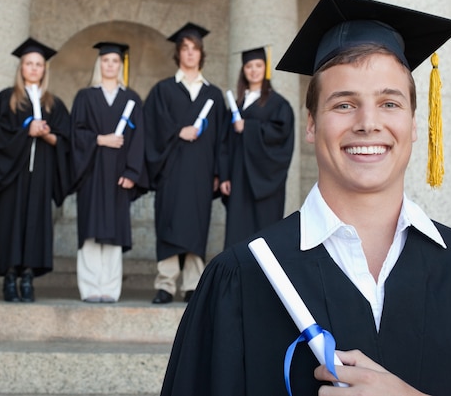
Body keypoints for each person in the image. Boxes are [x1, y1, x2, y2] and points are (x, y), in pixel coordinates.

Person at [160, 0, 451, 395]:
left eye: (389, 103)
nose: (368, 123)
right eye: (344, 105)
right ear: (312, 125)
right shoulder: (239, 279)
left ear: (415, 123)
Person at [143, 22, 226, 304]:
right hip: (171, 168)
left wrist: (218, 171)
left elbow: (222, 139)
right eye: (185, 48)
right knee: (169, 222)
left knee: (196, 224)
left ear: (201, 54)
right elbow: (150, 127)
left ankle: (192, 284)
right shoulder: (163, 90)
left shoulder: (213, 95)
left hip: (201, 171)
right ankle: (165, 284)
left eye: (195, 49)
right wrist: (177, 132)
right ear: (178, 53)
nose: (190, 53)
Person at [0, 37, 71, 303]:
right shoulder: (6, 99)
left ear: (45, 69)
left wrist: (47, 135)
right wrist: (26, 132)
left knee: (36, 223)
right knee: (11, 222)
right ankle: (10, 278)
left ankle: (29, 277)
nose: (34, 68)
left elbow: (66, 140)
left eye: (38, 64)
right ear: (21, 67)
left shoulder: (53, 104)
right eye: (29, 63)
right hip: (14, 173)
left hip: (41, 175)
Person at [70, 41, 147, 303]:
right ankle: (91, 287)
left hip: (118, 176)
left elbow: (139, 140)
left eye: (115, 61)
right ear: (99, 64)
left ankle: (110, 289)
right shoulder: (85, 96)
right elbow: (75, 133)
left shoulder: (132, 99)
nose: (110, 65)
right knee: (92, 231)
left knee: (113, 233)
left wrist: (133, 172)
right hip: (91, 173)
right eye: (105, 61)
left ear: (121, 66)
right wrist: (99, 140)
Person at [219, 46, 294, 248]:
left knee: (264, 233)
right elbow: (224, 143)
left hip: (265, 179)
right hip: (238, 176)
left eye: (258, 65)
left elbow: (281, 135)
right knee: (238, 232)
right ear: (243, 70)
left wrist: (249, 127)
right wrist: (225, 175)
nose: (254, 70)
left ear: (265, 68)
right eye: (249, 66)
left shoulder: (279, 105)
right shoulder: (237, 104)